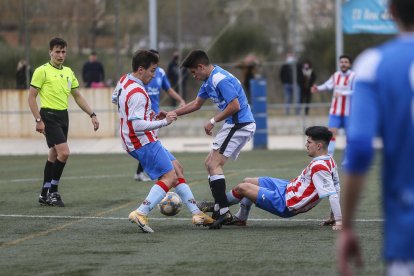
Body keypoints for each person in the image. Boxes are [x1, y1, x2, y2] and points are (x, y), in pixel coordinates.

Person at [337, 1, 414, 275]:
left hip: (407, 233)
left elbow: (359, 149)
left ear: (391, 11)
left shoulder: (374, 63)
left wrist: (347, 228)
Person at [112, 50, 213, 233]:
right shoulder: (138, 93)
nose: (154, 74)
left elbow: (115, 99)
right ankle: (141, 212)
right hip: (141, 140)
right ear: (141, 69)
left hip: (134, 138)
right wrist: (163, 122)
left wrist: (150, 115)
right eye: (152, 70)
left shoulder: (123, 80)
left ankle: (197, 213)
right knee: (169, 177)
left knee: (177, 168)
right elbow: (137, 125)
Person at [198, 126, 342, 230]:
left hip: (287, 203)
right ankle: (241, 218)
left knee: (242, 188)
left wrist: (339, 221)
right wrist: (333, 217)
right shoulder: (329, 160)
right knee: (248, 180)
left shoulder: (320, 167)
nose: (306, 145)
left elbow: (333, 194)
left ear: (319, 146)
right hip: (287, 188)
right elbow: (336, 187)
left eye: (309, 142)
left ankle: (217, 205)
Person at [172, 50, 256, 229]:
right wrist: (173, 113)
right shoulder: (208, 81)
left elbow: (235, 106)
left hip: (241, 123)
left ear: (201, 67)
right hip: (234, 124)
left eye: (194, 72)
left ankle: (223, 212)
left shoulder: (219, 78)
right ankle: (220, 208)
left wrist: (212, 121)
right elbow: (196, 104)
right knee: (209, 162)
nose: (194, 76)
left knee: (214, 164)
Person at [28, 37, 100, 207]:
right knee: (64, 152)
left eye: (63, 52)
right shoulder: (42, 71)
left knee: (54, 153)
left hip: (63, 116)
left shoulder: (68, 72)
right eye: (57, 51)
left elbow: (77, 96)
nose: (61, 55)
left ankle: (44, 193)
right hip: (48, 115)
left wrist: (92, 114)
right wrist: (38, 119)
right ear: (50, 52)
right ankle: (53, 192)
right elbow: (31, 97)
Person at [134, 49, 186, 182]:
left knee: (151, 143)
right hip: (142, 115)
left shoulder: (160, 73)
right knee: (149, 144)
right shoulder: (139, 77)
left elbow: (168, 89)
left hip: (155, 115)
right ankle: (150, 173)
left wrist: (180, 100)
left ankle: (142, 172)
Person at [311, 55, 355, 157]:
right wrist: (317, 88)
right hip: (335, 111)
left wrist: (343, 93)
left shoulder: (353, 76)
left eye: (345, 62)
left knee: (350, 135)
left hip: (349, 112)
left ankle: (348, 158)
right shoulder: (336, 75)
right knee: (331, 133)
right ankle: (329, 156)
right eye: (341, 62)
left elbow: (357, 90)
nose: (343, 64)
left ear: (349, 64)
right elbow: (327, 85)